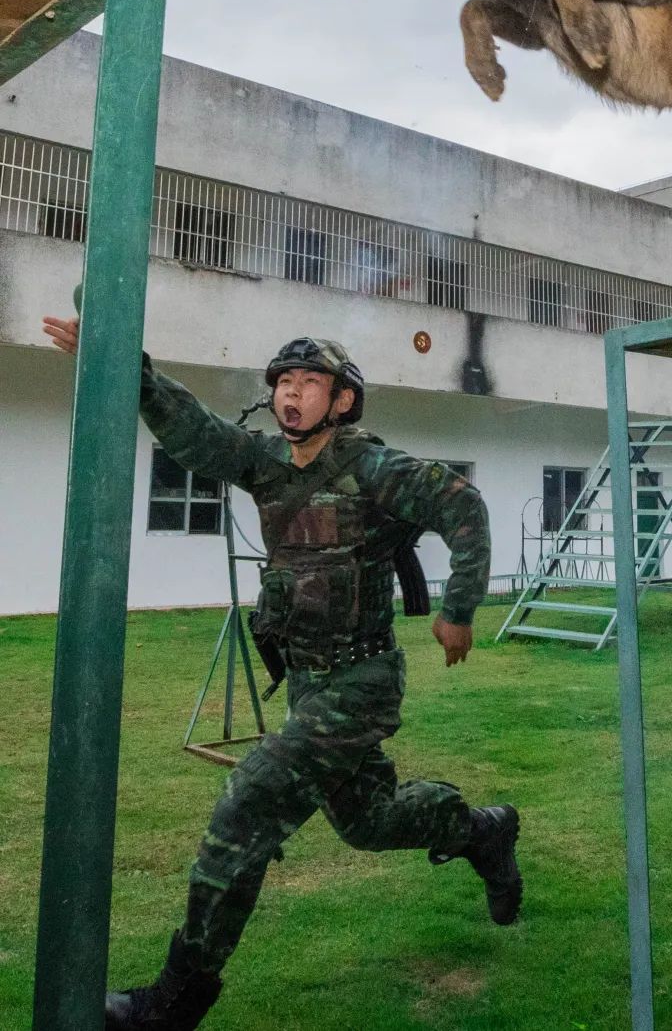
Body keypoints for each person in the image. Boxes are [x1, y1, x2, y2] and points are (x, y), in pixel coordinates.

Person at [42, 317, 521, 1031]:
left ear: (343, 400)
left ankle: (176, 1000)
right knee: (369, 823)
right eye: (284, 384)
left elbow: (463, 505)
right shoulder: (266, 463)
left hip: (362, 682)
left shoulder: (373, 468)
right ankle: (482, 830)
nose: (291, 396)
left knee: (250, 801)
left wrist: (459, 609)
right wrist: (132, 372)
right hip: (307, 684)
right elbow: (197, 434)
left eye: (309, 384)